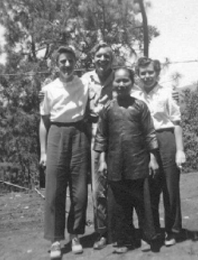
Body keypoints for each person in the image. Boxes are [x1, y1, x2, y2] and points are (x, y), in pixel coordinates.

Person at [94, 67, 160, 254]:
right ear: (112, 83)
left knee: (143, 204)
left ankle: (147, 238)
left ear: (132, 83)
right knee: (120, 206)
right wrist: (102, 161)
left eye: (126, 81)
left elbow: (149, 133)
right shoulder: (107, 109)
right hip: (115, 164)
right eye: (118, 81)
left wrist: (153, 158)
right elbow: (102, 137)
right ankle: (125, 240)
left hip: (138, 163)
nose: (121, 84)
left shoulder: (140, 106)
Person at [39, 46, 89, 259]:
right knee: (54, 191)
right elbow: (44, 121)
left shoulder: (85, 84)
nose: (67, 65)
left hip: (79, 134)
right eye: (62, 62)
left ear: (75, 62)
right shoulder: (49, 89)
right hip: (56, 135)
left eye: (70, 61)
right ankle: (56, 239)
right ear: (56, 65)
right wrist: (43, 151)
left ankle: (75, 235)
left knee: (79, 192)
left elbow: (110, 86)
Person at [132, 57, 186, 247]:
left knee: (170, 186)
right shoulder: (134, 95)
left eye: (150, 72)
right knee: (148, 187)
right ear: (137, 75)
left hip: (166, 138)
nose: (147, 76)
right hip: (143, 143)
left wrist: (179, 150)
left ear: (157, 73)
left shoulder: (167, 93)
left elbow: (177, 122)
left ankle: (173, 230)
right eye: (142, 73)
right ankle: (152, 231)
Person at [80, 42, 114, 249]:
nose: (102, 59)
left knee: (119, 184)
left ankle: (120, 228)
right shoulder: (85, 80)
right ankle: (102, 232)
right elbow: (66, 91)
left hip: (118, 136)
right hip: (94, 136)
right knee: (98, 188)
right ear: (93, 58)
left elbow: (143, 90)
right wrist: (44, 92)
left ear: (112, 59)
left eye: (107, 56)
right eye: (99, 56)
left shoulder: (118, 77)